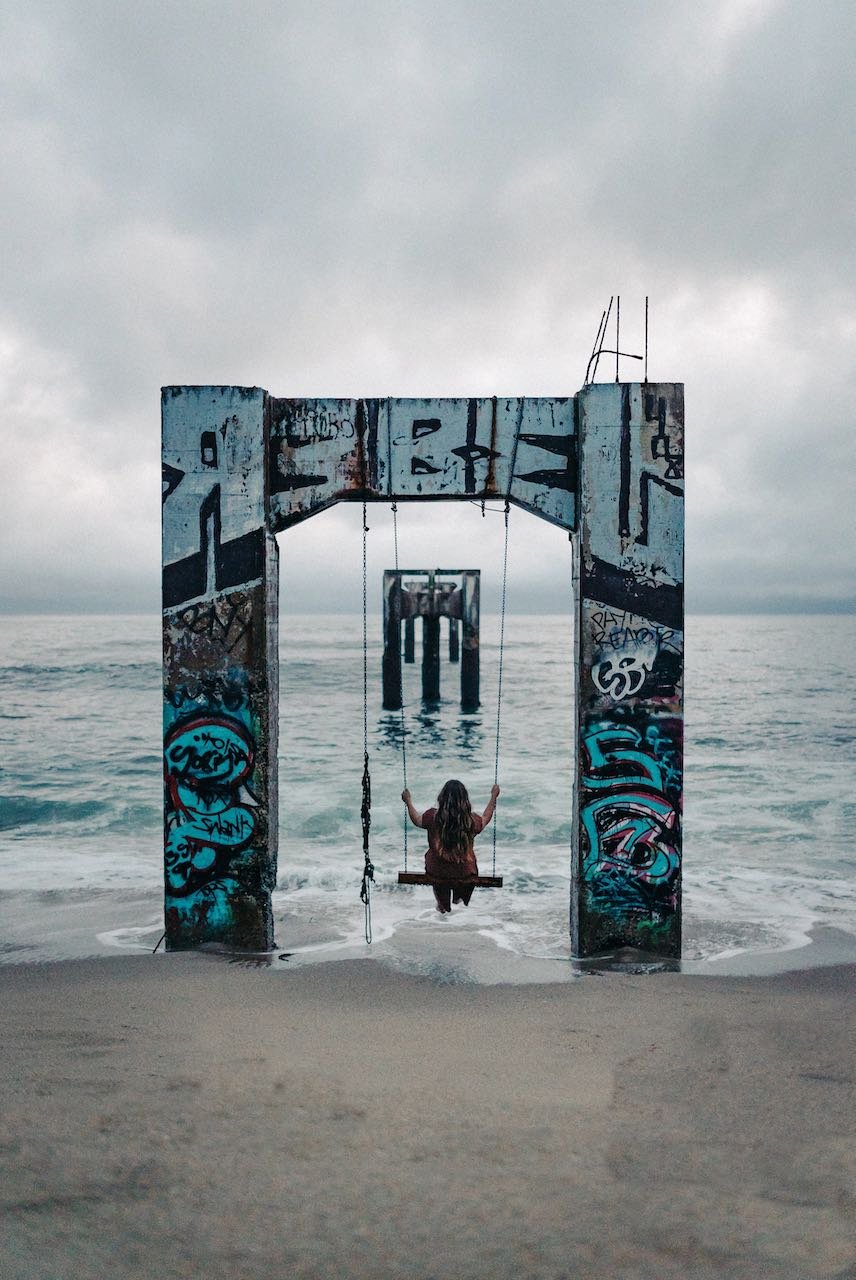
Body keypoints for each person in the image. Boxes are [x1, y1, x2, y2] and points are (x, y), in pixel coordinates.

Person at [401, 779, 500, 914]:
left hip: (438, 872)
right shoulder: (470, 821)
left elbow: (416, 819)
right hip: (465, 873)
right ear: (465, 800)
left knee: (439, 876)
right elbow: (486, 818)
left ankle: (443, 905)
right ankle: (459, 898)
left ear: (442, 798)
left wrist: (408, 802)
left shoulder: (433, 817)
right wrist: (493, 797)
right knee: (465, 874)